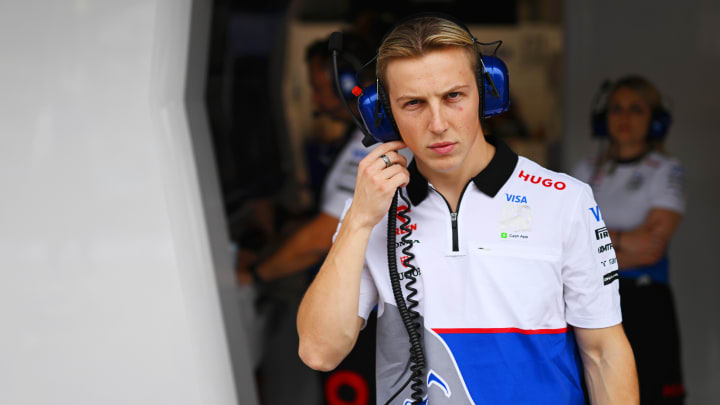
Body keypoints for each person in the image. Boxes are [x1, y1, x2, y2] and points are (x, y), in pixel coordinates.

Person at [297, 15, 639, 404]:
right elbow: (319, 351)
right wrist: (358, 220)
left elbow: (603, 353)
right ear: (384, 116)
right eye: (413, 104)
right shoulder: (370, 211)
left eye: (453, 96)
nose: (438, 123)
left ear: (486, 93)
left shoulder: (564, 199)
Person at [572, 75, 686, 404]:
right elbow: (567, 243)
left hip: (646, 301)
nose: (623, 118)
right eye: (616, 109)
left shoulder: (665, 169)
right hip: (591, 297)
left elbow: (651, 247)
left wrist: (593, 244)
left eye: (635, 109)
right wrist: (623, 240)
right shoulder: (585, 169)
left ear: (655, 121)